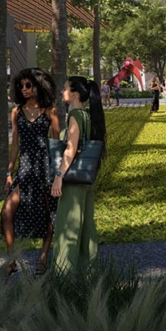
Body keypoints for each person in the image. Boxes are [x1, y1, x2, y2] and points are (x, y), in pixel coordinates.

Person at [2, 68, 57, 275]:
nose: (24, 89)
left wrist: (58, 173)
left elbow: (56, 141)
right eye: (21, 86)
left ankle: (43, 258)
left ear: (38, 86)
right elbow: (15, 143)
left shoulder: (51, 111)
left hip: (45, 168)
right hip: (24, 169)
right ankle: (11, 259)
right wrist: (9, 172)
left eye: (28, 85)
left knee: (48, 214)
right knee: (7, 212)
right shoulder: (16, 111)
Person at [51, 76, 105, 272]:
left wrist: (58, 176)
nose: (62, 92)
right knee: (87, 229)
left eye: (65, 88)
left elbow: (70, 149)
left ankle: (64, 277)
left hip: (73, 181)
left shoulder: (74, 114)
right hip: (87, 179)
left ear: (74, 94)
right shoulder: (89, 115)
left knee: (69, 228)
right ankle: (89, 274)